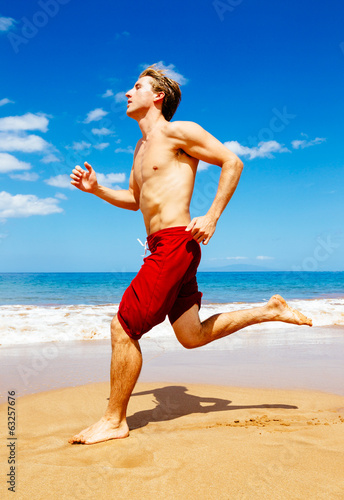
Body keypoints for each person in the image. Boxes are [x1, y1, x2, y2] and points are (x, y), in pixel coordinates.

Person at [69, 66, 312, 445]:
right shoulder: (140, 147)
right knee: (191, 335)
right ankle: (270, 310)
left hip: (176, 243)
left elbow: (233, 162)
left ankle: (114, 420)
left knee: (123, 328)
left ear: (158, 97)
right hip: (164, 247)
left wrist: (212, 216)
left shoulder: (179, 132)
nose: (127, 93)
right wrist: (97, 189)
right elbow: (135, 201)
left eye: (137, 87)